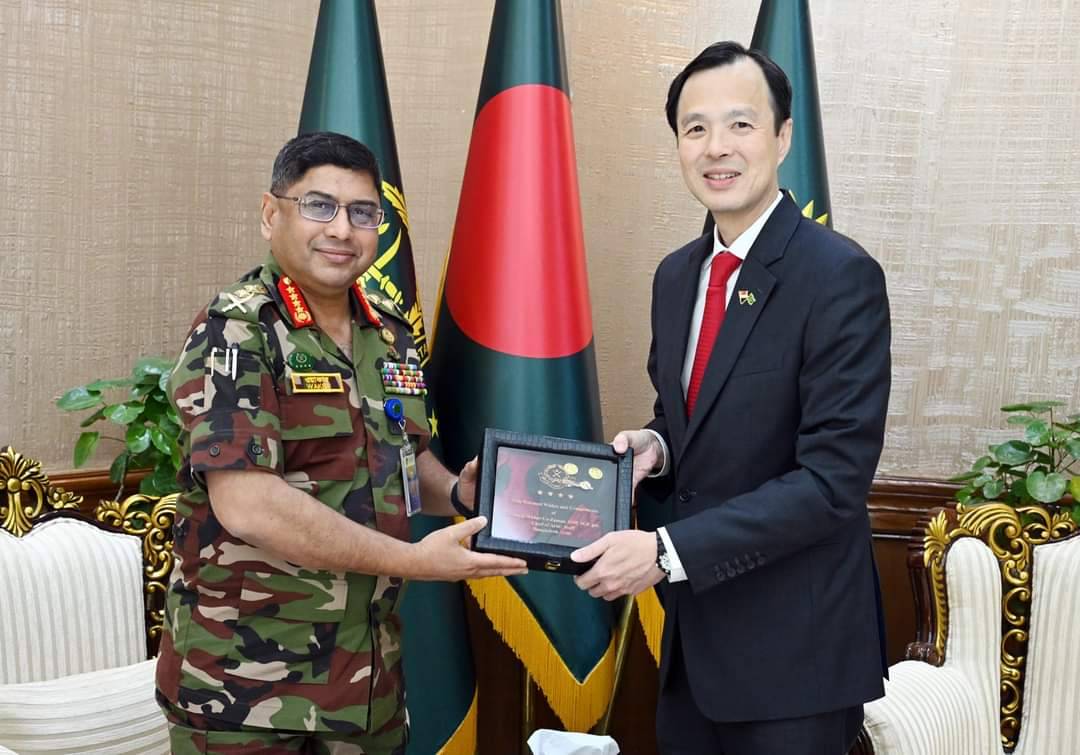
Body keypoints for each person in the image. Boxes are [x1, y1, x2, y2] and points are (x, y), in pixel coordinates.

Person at [155, 131, 527, 754]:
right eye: (319, 206)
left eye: (362, 212)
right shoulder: (238, 330)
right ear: (271, 214)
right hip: (245, 692)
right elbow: (249, 505)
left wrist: (458, 492)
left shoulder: (388, 330)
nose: (341, 230)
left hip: (367, 681)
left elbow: (405, 460)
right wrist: (414, 560)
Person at [571, 42, 891, 755]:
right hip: (694, 646)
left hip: (796, 660)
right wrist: (657, 445)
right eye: (695, 128)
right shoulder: (676, 276)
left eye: (740, 124)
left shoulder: (839, 276)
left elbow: (832, 481)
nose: (716, 147)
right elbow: (693, 418)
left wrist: (664, 551)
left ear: (783, 136)